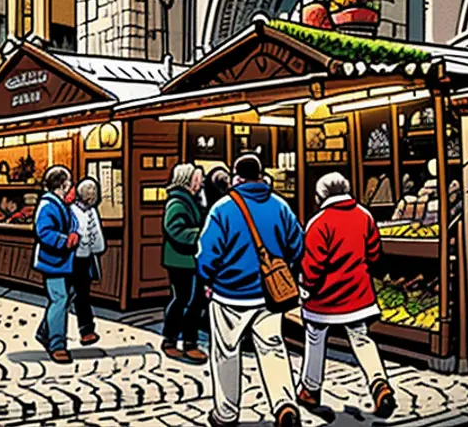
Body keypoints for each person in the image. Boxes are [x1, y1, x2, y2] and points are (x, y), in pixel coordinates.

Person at [197, 154, 304, 427]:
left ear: (236, 176)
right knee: (273, 348)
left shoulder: (222, 209)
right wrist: (285, 269)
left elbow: (207, 253)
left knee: (226, 352)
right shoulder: (280, 205)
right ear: (260, 175)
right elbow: (297, 244)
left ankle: (227, 412)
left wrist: (208, 280)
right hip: (269, 295)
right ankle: (284, 404)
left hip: (228, 294)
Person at [297, 173, 396, 417]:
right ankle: (379, 384)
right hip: (358, 294)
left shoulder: (318, 222)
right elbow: (374, 254)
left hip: (324, 299)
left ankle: (310, 389)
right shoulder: (365, 216)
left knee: (315, 337)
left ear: (321, 195)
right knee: (361, 339)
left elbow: (313, 265)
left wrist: (306, 287)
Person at [161, 163, 207, 363]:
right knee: (183, 300)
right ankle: (172, 340)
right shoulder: (178, 202)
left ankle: (189, 341)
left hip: (188, 260)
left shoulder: (190, 200)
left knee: (193, 301)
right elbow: (174, 229)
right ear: (188, 180)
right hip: (180, 260)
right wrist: (200, 234)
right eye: (198, 178)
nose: (202, 181)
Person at [33, 165, 79, 363]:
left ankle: (45, 332)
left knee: (65, 297)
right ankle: (57, 345)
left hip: (62, 260)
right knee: (60, 299)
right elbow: (43, 232)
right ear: (62, 185)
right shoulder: (48, 206)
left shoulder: (60, 204)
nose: (71, 188)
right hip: (52, 261)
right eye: (69, 184)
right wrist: (64, 240)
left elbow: (71, 222)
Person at [70, 177, 105, 346]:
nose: (91, 196)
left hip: (85, 259)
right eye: (89, 193)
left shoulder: (90, 211)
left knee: (82, 293)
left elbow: (97, 238)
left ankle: (86, 330)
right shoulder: (73, 211)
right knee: (76, 294)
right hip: (73, 258)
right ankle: (85, 329)